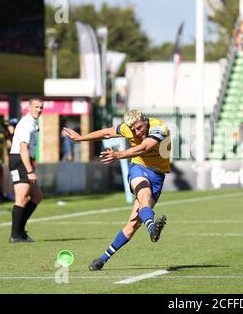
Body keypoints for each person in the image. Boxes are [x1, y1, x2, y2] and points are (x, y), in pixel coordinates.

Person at [63, 110, 170, 271]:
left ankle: (102, 259)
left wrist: (119, 154)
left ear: (145, 121)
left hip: (157, 176)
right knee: (144, 195)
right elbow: (107, 133)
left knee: (133, 224)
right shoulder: (127, 128)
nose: (137, 132)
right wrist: (80, 138)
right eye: (133, 130)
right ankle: (152, 228)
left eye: (140, 128)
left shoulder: (160, 128)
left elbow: (144, 147)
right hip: (138, 168)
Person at [8, 98, 44, 243]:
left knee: (37, 196)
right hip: (19, 161)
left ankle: (20, 231)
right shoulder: (26, 124)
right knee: (21, 198)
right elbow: (23, 148)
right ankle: (15, 235)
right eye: (36, 107)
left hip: (25, 161)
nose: (39, 110)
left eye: (41, 107)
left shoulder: (33, 122)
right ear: (29, 107)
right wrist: (30, 171)